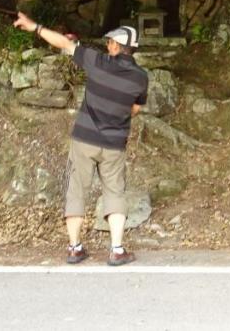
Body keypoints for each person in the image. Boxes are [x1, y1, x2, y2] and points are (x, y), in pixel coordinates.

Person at [12, 13, 148, 266]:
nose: (107, 45)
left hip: (85, 138)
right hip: (114, 143)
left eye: (110, 43)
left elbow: (63, 44)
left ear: (118, 46)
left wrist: (36, 27)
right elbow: (136, 108)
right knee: (115, 192)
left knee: (77, 190)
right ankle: (117, 250)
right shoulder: (141, 77)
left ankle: (75, 248)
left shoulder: (98, 62)